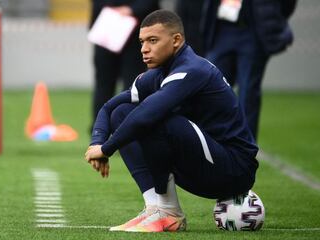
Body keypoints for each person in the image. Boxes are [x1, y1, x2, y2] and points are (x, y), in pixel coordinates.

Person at [85, 10, 258, 232]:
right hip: (202, 164)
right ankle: (155, 208)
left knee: (155, 119)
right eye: (141, 42)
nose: (144, 49)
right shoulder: (159, 73)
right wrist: (96, 143)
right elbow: (110, 108)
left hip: (234, 170)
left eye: (153, 41)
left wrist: (107, 149)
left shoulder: (192, 69)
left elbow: (148, 114)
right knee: (123, 112)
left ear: (176, 40)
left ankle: (169, 213)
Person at [202, 0, 297, 140]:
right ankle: (208, 143)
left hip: (252, 30)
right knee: (208, 88)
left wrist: (271, 19)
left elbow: (287, 5)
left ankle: (245, 151)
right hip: (221, 29)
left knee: (248, 93)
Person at [90, 0, 159, 129]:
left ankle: (127, 125)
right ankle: (99, 128)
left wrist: (130, 10)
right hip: (107, 29)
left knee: (133, 84)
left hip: (136, 35)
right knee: (104, 84)